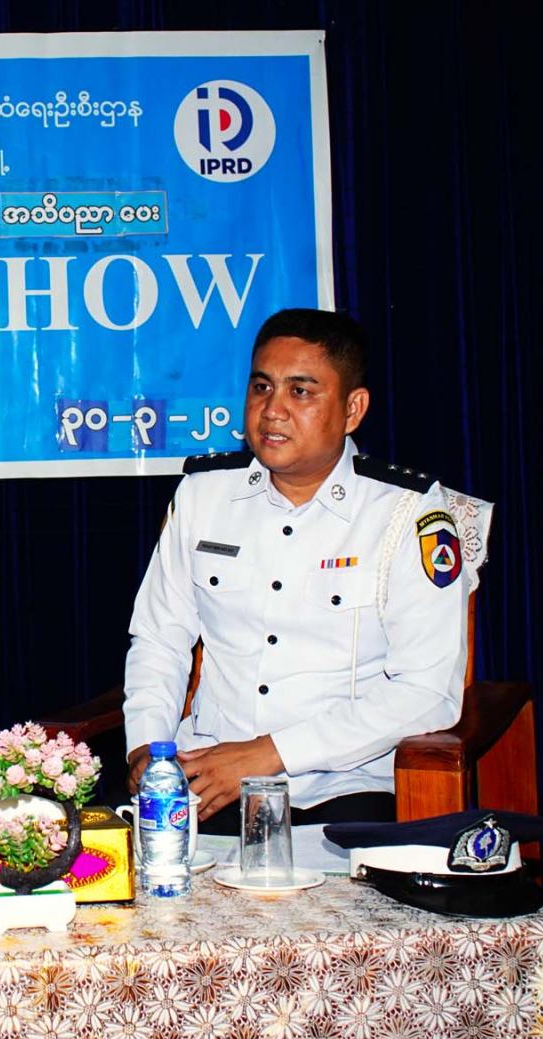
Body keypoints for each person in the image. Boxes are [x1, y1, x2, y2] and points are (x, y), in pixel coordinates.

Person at [123, 308, 469, 832]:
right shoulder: (202, 495)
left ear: (353, 409)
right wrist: (149, 751)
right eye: (262, 387)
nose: (273, 411)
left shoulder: (408, 512)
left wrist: (270, 753)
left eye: (300, 391)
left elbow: (426, 691)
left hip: (342, 785)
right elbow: (159, 638)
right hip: (206, 779)